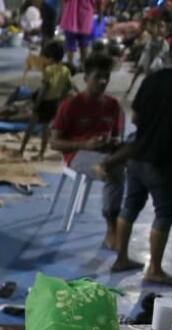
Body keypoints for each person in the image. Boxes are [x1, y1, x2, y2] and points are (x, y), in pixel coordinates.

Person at [107, 22, 172, 286]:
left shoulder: (151, 79)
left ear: (171, 51)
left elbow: (137, 116)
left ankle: (121, 258)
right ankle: (154, 268)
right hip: (164, 158)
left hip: (137, 153)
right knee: (164, 212)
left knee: (130, 206)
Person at [50, 52, 123, 250]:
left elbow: (118, 137)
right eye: (97, 77)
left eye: (106, 77)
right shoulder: (70, 105)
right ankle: (112, 229)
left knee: (137, 168)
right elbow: (54, 143)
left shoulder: (113, 105)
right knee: (111, 171)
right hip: (78, 155)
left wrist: (111, 142)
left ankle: (124, 223)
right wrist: (85, 145)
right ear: (85, 78)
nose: (102, 81)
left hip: (105, 152)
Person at [18, 40, 71, 159]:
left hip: (43, 102)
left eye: (44, 58)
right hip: (54, 103)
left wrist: (37, 103)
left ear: (50, 58)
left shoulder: (48, 70)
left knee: (30, 127)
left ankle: (21, 150)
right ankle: (41, 153)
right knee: (46, 129)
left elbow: (44, 88)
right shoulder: (65, 70)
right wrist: (60, 99)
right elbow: (67, 88)